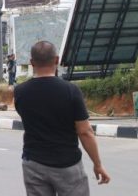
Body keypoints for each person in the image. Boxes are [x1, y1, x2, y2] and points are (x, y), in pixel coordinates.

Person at [14, 41, 110, 196]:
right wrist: (97, 164)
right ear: (57, 60)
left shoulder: (20, 92)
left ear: (32, 62)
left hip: (33, 163)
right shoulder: (71, 91)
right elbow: (85, 132)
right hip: (67, 164)